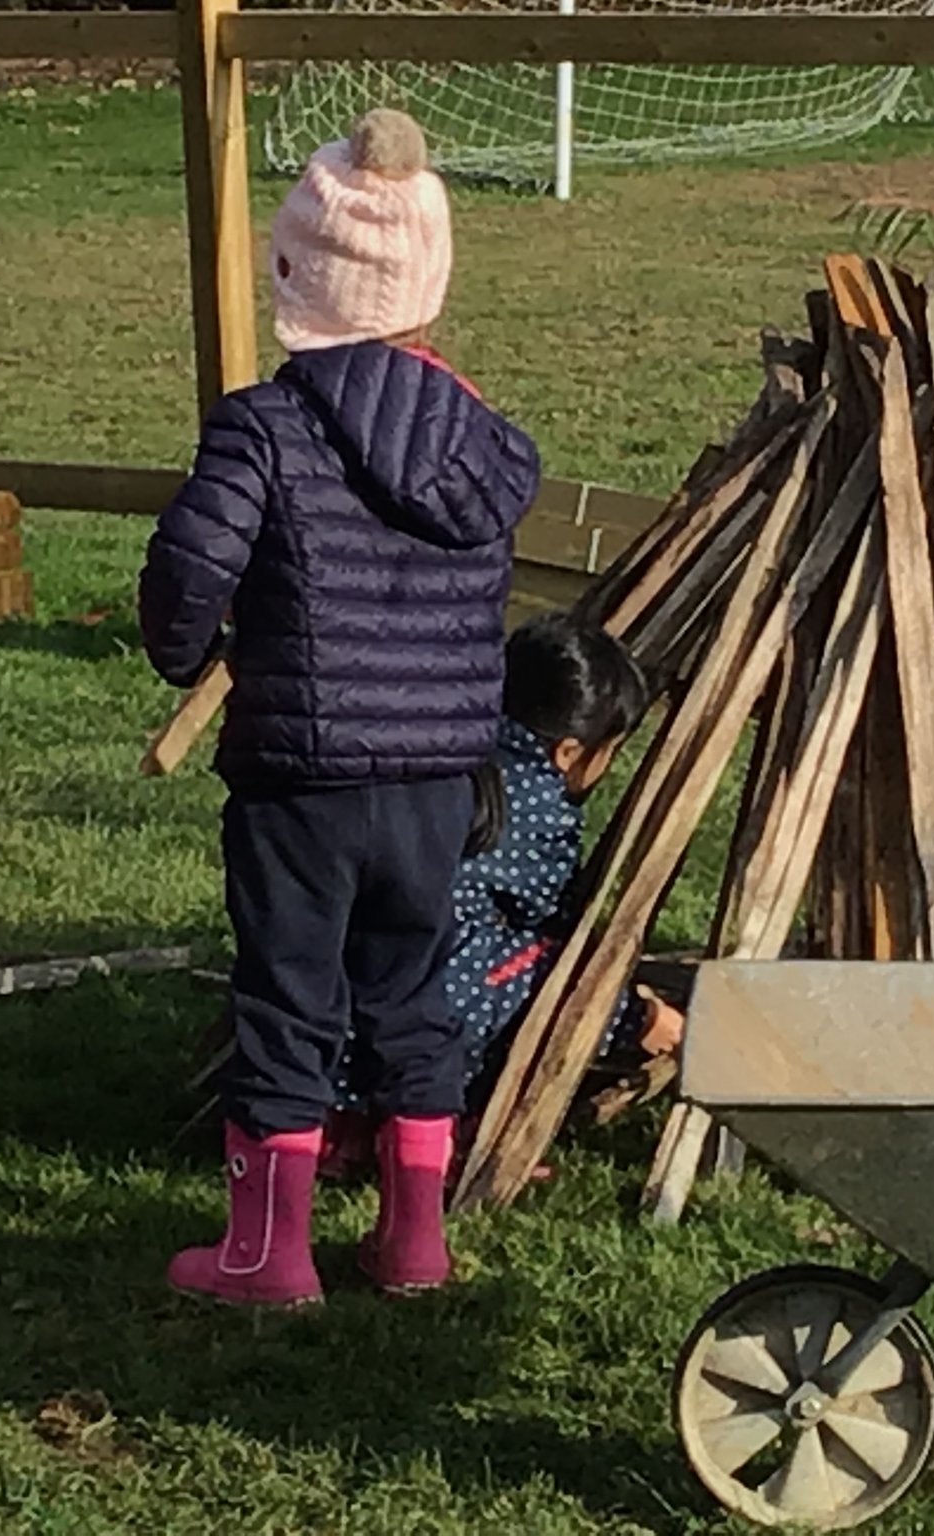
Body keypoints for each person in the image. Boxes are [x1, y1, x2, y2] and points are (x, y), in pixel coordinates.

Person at [139, 109, 538, 1307]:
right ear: (431, 277)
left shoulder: (263, 428)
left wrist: (182, 649)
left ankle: (268, 1255)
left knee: (288, 995)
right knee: (412, 990)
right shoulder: (481, 445)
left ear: (293, 270)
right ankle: (414, 1240)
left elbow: (188, 572)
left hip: (301, 778)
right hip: (437, 780)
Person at [328, 614, 683, 1175]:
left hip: (343, 983)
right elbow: (553, 941)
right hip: (434, 1002)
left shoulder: (453, 751)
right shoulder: (539, 809)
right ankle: (448, 1126)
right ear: (570, 752)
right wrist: (633, 1013)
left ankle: (349, 1128)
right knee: (556, 966)